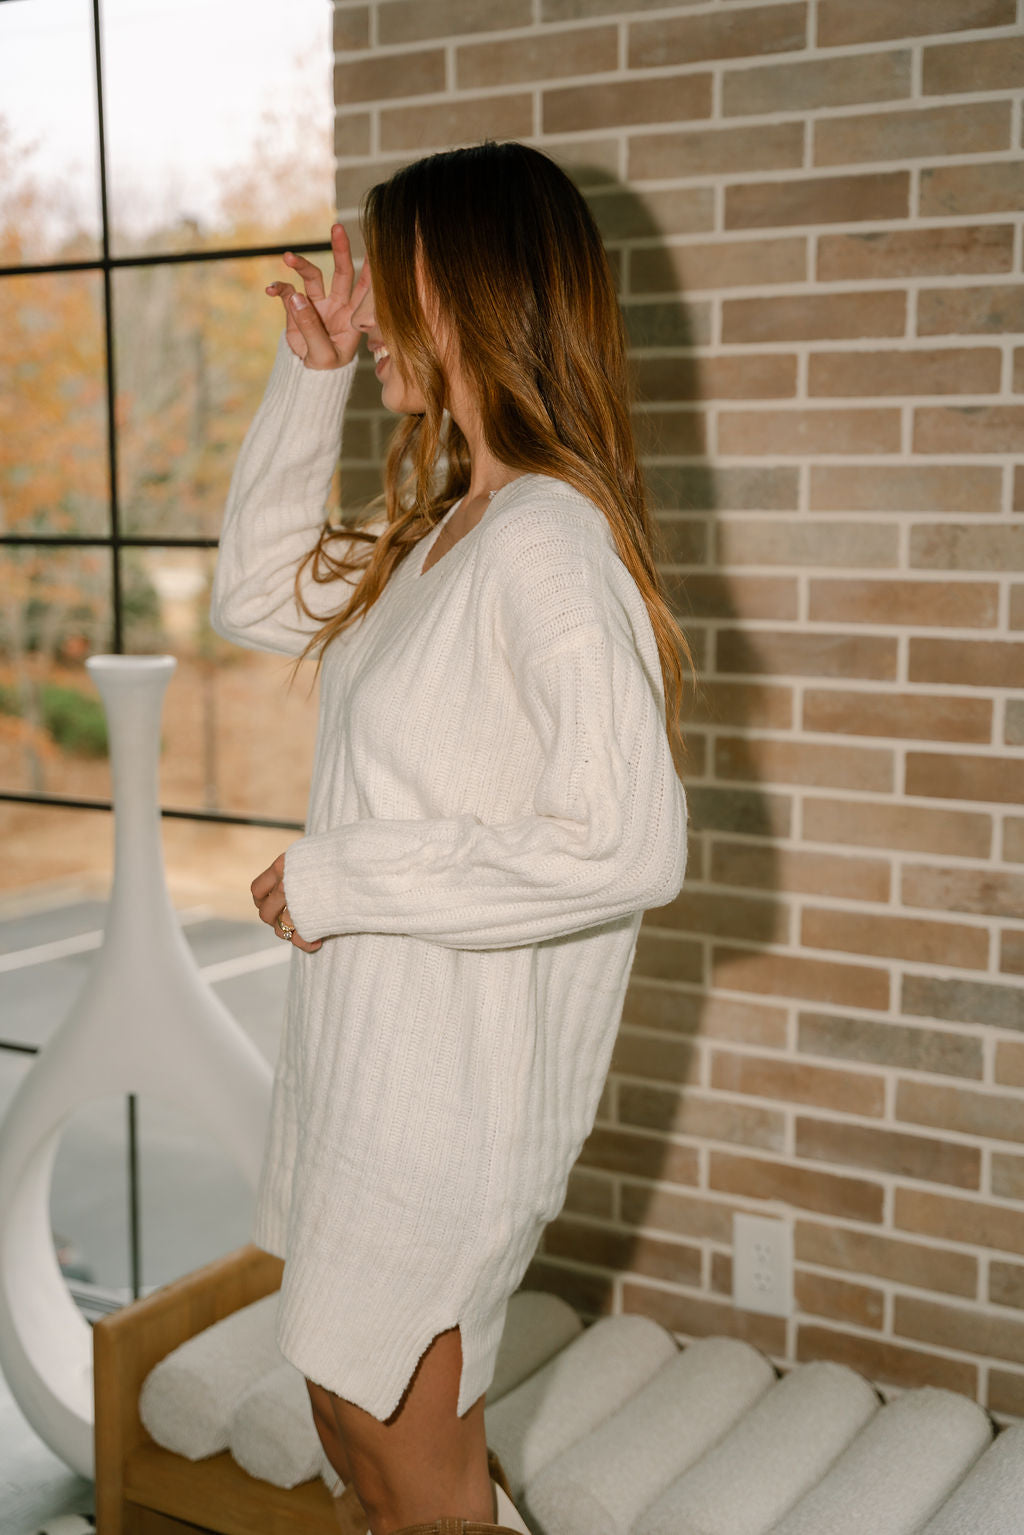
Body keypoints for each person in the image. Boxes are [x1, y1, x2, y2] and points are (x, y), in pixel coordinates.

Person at [209, 140, 693, 1535]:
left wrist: (343, 876)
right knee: (350, 1431)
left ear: (470, 285)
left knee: (414, 1477)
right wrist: (311, 378)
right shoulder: (449, 531)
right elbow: (256, 597)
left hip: (450, 1108)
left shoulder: (547, 538)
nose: (368, 311)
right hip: (368, 1069)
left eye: (393, 274)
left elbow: (626, 844)